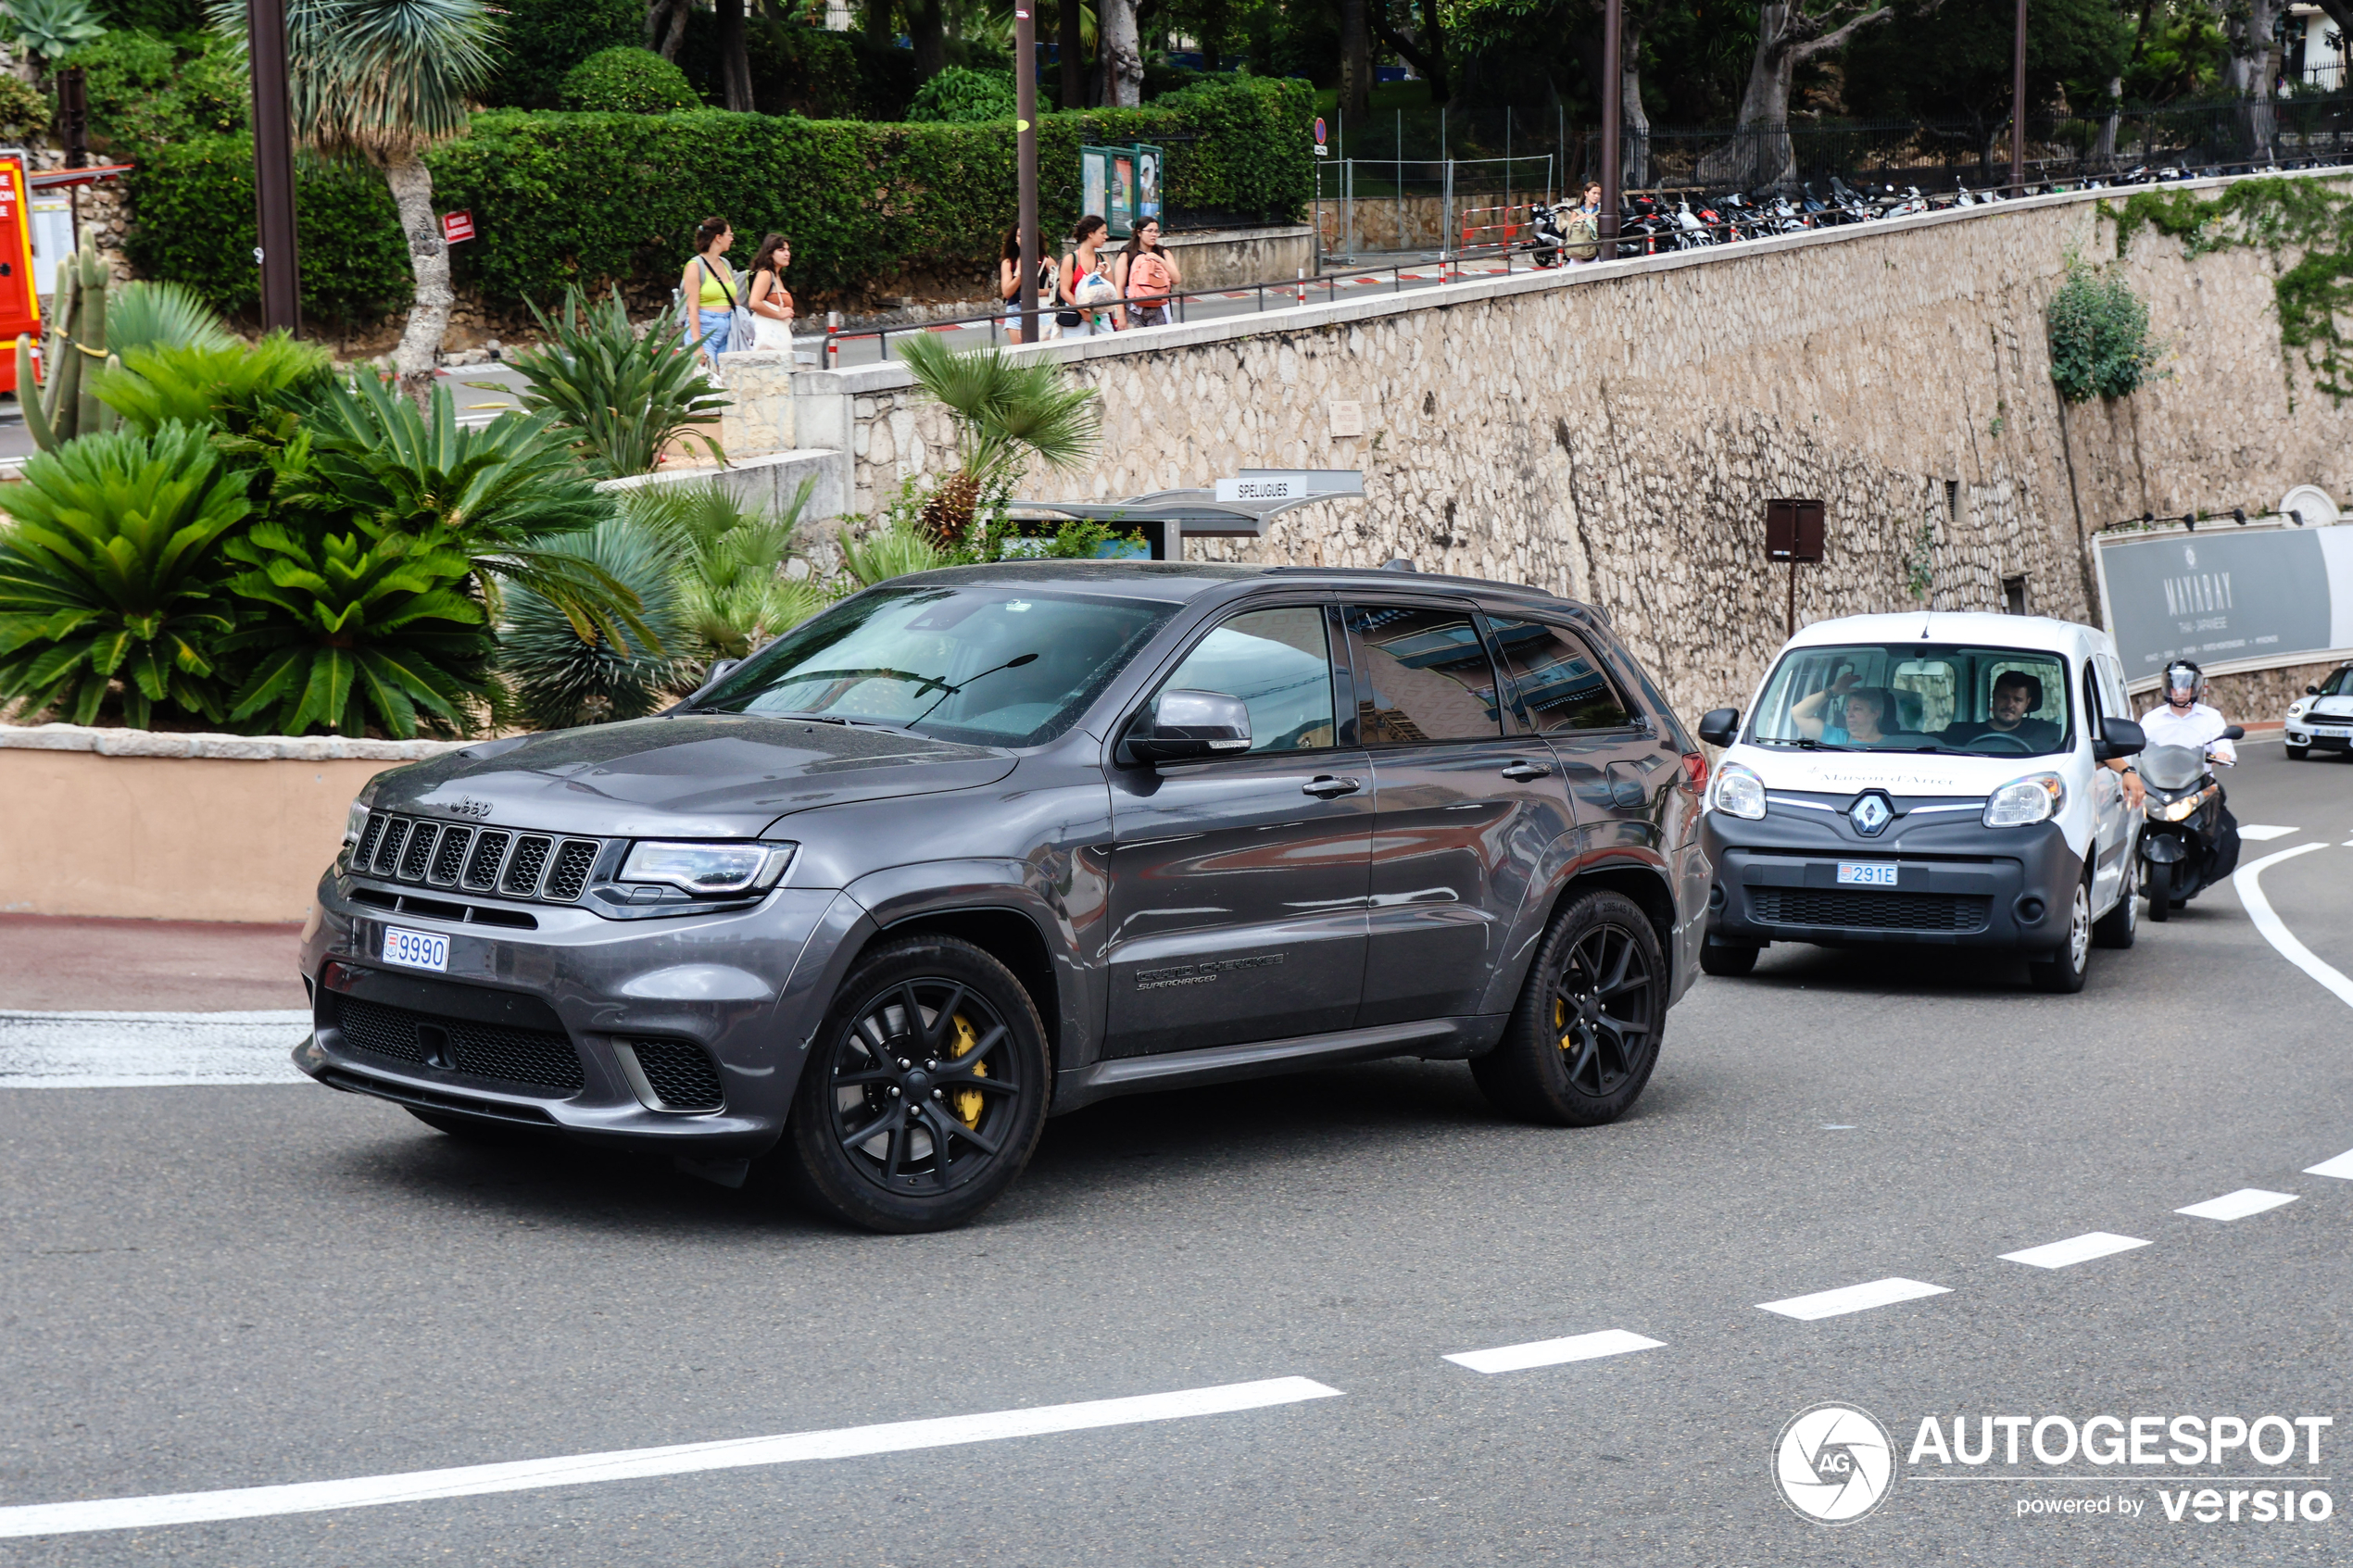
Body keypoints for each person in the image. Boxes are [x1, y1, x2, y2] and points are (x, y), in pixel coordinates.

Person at [2127, 659, 2240, 867]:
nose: (2180, 691)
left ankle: (2206, 864)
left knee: (2227, 830)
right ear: (2168, 687)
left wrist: (2223, 754)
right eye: (2175, 686)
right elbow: (2136, 747)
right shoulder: (2152, 719)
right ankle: (2128, 874)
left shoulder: (2211, 717)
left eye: (2186, 686)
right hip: (2157, 784)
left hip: (2197, 785)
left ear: (2194, 687)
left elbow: (2224, 745)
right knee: (2128, 821)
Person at [1943, 670, 2062, 750]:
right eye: (2004, 697)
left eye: (2018, 700)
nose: (2010, 704)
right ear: (1994, 696)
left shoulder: (2046, 733)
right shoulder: (1961, 734)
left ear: (2027, 703)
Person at [679, 216, 738, 360]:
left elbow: (734, 299)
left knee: (728, 380)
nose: (732, 239)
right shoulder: (695, 266)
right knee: (707, 379)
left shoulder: (725, 264)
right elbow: (692, 308)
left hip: (729, 329)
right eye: (729, 235)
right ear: (718, 237)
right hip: (706, 329)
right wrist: (697, 345)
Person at [1061, 215, 1123, 336]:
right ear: (1091, 234)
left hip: (1100, 314)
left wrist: (1103, 273)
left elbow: (1111, 289)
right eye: (1103, 233)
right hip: (1076, 314)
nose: (1106, 237)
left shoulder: (1103, 259)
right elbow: (1064, 291)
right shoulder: (1071, 259)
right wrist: (1083, 311)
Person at [1791, 671, 1891, 745]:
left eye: (1857, 709)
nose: (1849, 715)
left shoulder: (1893, 744)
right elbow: (1798, 713)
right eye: (1847, 709)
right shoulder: (1837, 737)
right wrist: (1832, 691)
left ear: (1875, 714)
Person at [1115, 218, 1181, 327]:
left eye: (1156, 231)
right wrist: (1121, 315)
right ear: (1139, 232)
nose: (1154, 235)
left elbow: (1176, 279)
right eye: (1150, 231)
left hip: (1159, 307)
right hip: (1133, 309)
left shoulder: (1163, 252)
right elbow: (1119, 286)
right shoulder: (1127, 254)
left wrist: (1160, 260)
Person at [998, 225, 1058, 345]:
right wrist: (1020, 275)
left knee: (1042, 350)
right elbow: (1007, 293)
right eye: (1019, 236)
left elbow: (1058, 288)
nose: (1023, 239)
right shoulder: (1009, 263)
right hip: (1015, 308)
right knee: (1020, 354)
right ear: (1015, 239)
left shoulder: (1046, 261)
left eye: (1026, 235)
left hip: (1042, 308)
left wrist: (1039, 292)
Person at [744, 232, 795, 352]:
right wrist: (779, 314)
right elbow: (754, 303)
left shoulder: (776, 276)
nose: (787, 254)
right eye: (781, 250)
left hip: (776, 335)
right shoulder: (765, 274)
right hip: (768, 337)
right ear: (770, 253)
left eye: (788, 250)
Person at [1566, 182, 1604, 264]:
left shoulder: (1600, 212)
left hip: (1592, 254)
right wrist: (1577, 219)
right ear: (1586, 193)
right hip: (1576, 254)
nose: (1596, 196)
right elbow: (1568, 232)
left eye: (1599, 194)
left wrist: (1595, 220)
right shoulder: (1576, 212)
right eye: (1594, 193)